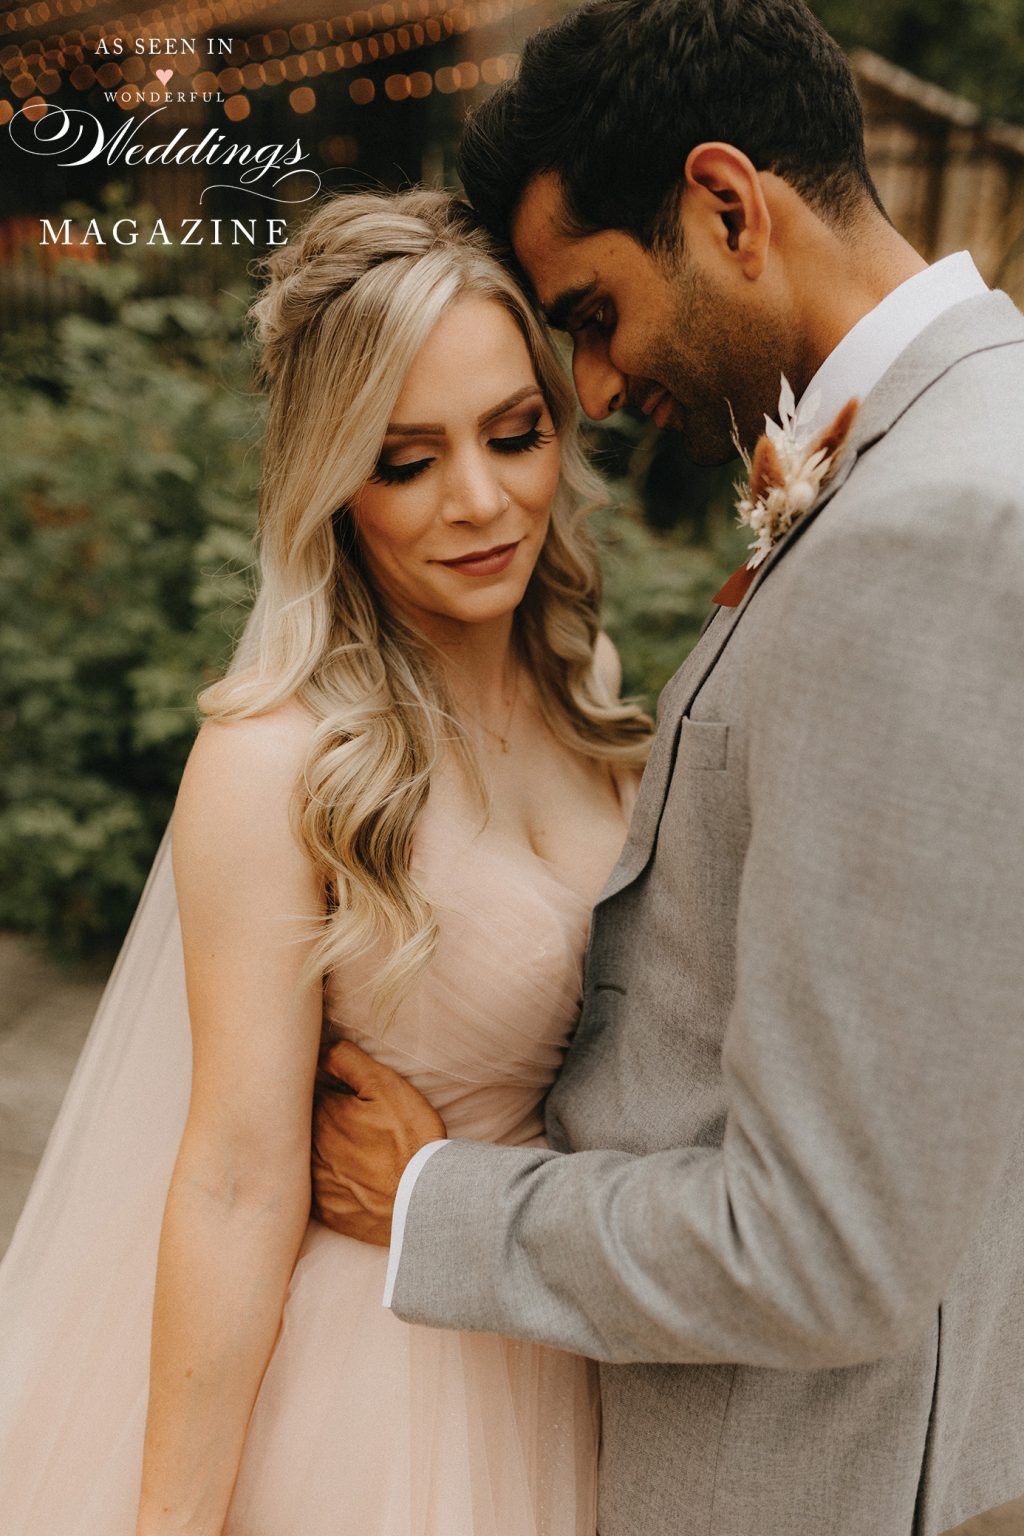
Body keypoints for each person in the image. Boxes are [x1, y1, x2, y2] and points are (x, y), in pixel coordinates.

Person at [308, 4, 1024, 1535]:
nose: (604, 388)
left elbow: (823, 1248)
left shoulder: (929, 530)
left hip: (804, 1476)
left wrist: (439, 1205)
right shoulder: (955, 447)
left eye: (591, 312)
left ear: (723, 206)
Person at [0, 188, 652, 1535]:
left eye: (514, 435)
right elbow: (235, 1178)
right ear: (331, 478)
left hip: (561, 1328)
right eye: (406, 460)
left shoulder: (588, 676)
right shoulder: (273, 759)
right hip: (376, 1386)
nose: (480, 502)